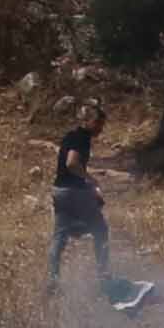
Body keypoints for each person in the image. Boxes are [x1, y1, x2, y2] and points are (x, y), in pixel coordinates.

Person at [46, 124, 113, 298]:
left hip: (59, 190)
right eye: (99, 123)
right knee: (100, 229)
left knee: (59, 236)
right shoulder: (82, 138)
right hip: (73, 192)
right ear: (91, 122)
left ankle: (53, 280)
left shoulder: (71, 135)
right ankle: (104, 277)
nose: (101, 128)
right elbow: (71, 163)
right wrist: (91, 181)